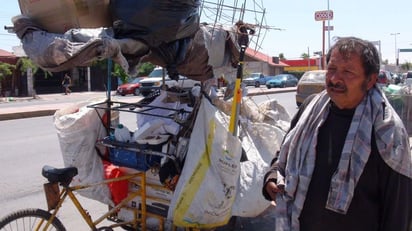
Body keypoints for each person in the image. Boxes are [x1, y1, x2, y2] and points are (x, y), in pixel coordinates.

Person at [262, 37, 412, 231]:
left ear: (370, 80)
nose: (334, 79)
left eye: (347, 72)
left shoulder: (387, 133)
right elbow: (284, 152)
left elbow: (398, 212)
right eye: (331, 69)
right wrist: (272, 176)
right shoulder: (310, 109)